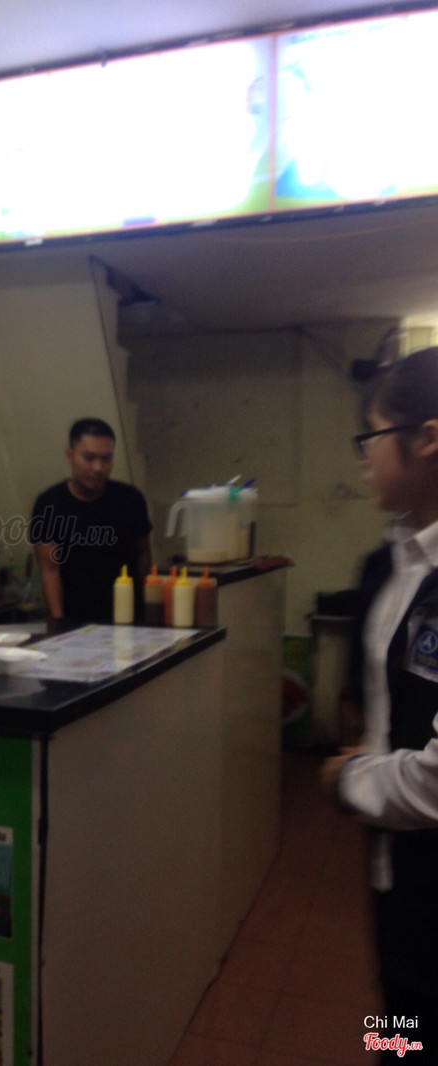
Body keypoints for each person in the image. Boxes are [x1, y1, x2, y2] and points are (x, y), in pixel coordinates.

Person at [321, 347, 438, 1064]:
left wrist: (349, 781)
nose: (364, 458)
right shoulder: (388, 564)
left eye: (372, 436)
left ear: (427, 438)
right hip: (394, 867)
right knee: (397, 1011)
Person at [28, 417, 152, 623]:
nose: (98, 468)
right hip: (76, 620)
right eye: (89, 458)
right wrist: (59, 622)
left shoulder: (130, 499)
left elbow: (144, 555)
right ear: (70, 456)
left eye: (106, 459)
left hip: (129, 619)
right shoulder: (49, 504)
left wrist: (149, 611)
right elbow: (50, 570)